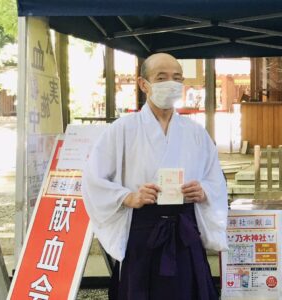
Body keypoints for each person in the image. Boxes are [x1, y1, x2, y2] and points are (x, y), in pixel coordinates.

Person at [82, 53, 227, 300]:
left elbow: (216, 181)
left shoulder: (195, 133)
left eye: (177, 78)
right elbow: (92, 180)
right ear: (143, 84)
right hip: (143, 230)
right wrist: (129, 197)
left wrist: (203, 192)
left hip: (184, 229)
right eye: (162, 77)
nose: (171, 83)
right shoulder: (122, 130)